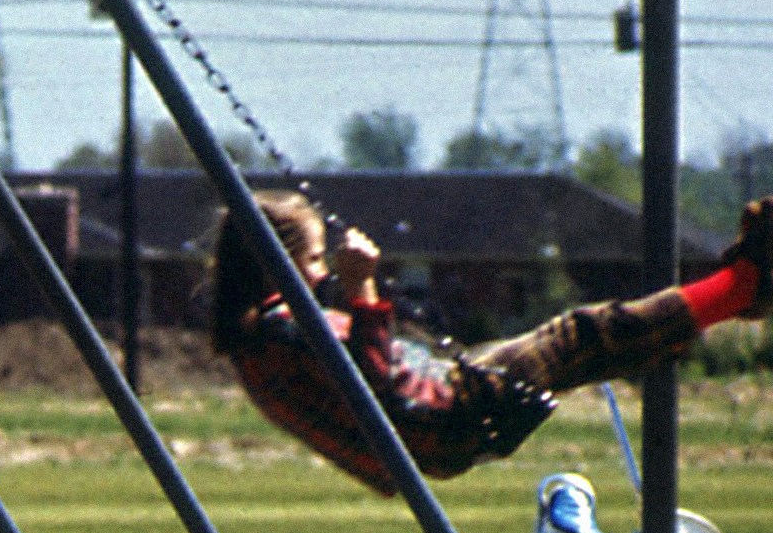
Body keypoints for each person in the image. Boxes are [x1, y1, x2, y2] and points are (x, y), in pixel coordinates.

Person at [211, 188, 771, 494]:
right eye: (311, 260)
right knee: (586, 336)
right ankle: (745, 283)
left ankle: (731, 295)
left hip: (434, 429)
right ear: (274, 263)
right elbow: (376, 389)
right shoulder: (287, 329)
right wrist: (362, 288)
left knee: (601, 347)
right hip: (448, 413)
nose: (320, 272)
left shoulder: (253, 341)